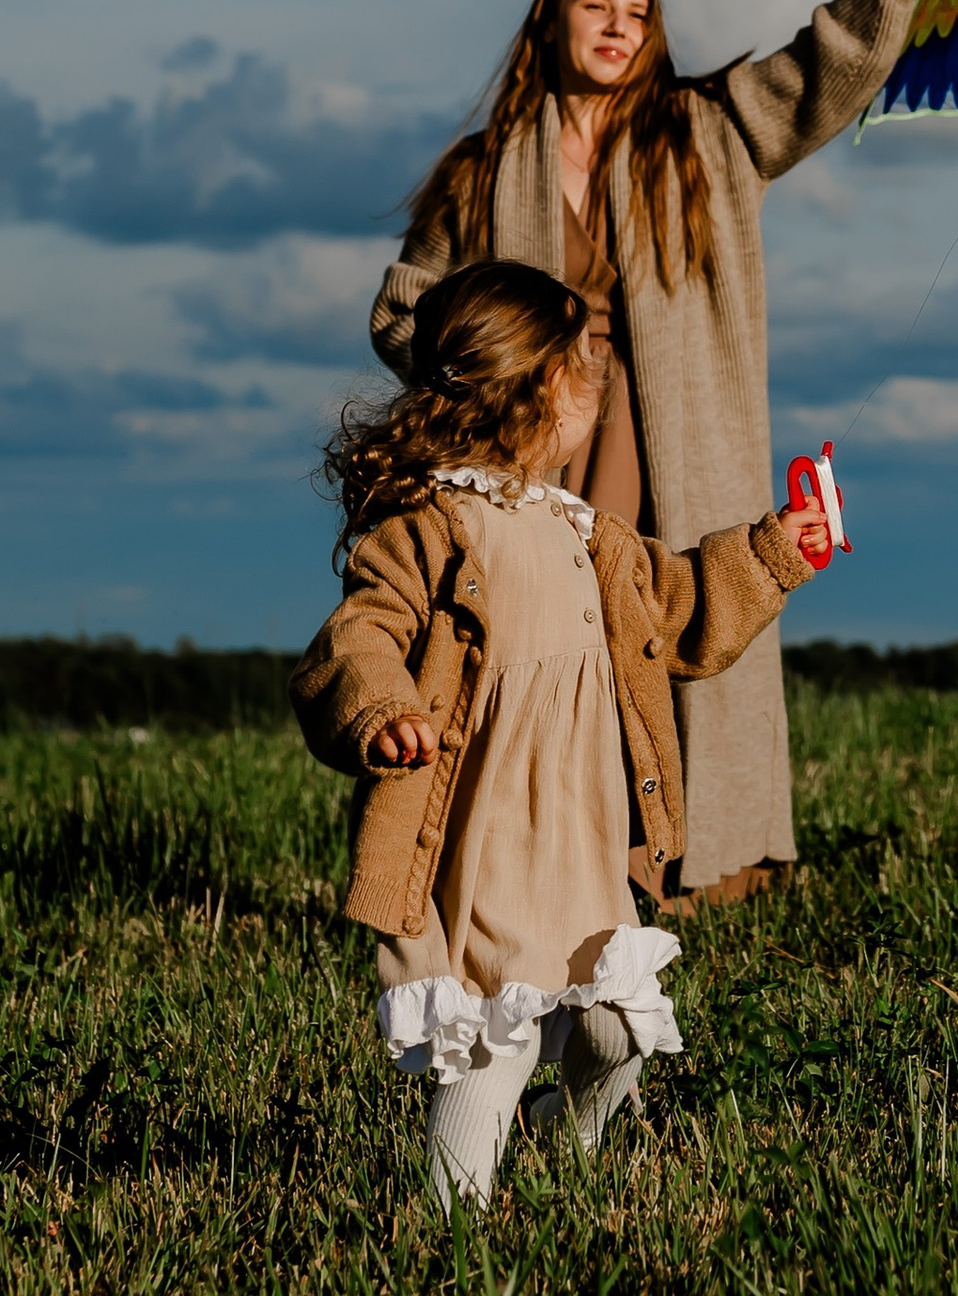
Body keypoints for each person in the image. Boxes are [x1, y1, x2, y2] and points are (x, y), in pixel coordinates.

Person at [371, 0, 958, 902]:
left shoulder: (709, 128)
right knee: (539, 632)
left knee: (680, 613)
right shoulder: (479, 175)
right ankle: (530, 848)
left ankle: (687, 864)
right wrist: (482, 379)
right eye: (594, 5)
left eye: (636, 12)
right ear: (551, 21)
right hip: (536, 442)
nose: (615, 26)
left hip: (678, 438)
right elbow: (404, 311)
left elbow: (831, 67)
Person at [293, 259, 831, 1210]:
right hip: (478, 846)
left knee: (619, 1028)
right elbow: (358, 636)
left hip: (579, 842)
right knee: (491, 1052)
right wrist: (383, 713)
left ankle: (569, 1142)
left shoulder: (588, 531)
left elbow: (684, 606)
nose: (597, 386)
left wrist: (776, 547)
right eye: (584, 367)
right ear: (540, 390)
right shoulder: (427, 526)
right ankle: (451, 1226)